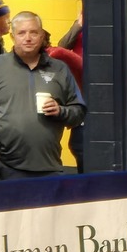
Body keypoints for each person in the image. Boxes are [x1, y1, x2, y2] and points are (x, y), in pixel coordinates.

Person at [0, 11, 86, 177]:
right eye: (21, 33)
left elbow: (79, 112)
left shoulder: (59, 69)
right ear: (12, 37)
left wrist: (60, 111)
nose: (28, 38)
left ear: (41, 36)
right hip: (3, 168)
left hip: (49, 166)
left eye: (34, 32)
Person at [47, 11, 84, 173]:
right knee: (78, 144)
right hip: (79, 92)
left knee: (80, 144)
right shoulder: (80, 29)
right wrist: (78, 24)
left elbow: (57, 51)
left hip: (89, 92)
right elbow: (62, 46)